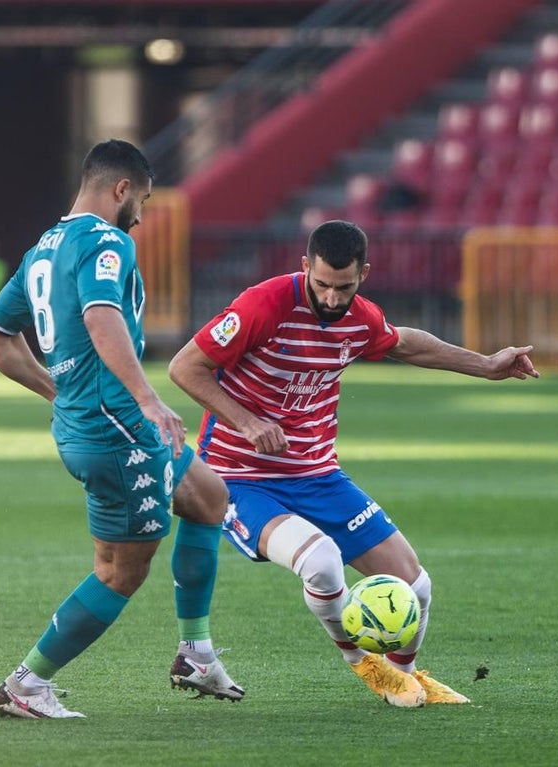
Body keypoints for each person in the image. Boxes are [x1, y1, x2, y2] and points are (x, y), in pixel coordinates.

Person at [168, 219, 538, 708]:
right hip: (240, 478)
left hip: (317, 474)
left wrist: (486, 365)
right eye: (321, 284)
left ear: (364, 273)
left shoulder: (360, 318)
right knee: (320, 562)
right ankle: (366, 667)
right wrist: (248, 422)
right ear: (305, 267)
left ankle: (403, 677)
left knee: (416, 584)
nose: (331, 297)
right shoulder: (265, 304)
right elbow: (184, 366)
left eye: (344, 287)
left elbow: (406, 342)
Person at [0, 139, 244, 719]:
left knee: (208, 497)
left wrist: (59, 391)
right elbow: (101, 316)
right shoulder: (106, 242)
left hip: (94, 423)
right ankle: (26, 685)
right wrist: (148, 399)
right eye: (141, 200)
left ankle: (195, 654)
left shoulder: (43, 249)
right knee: (121, 572)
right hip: (116, 432)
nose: (142, 216)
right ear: (120, 189)